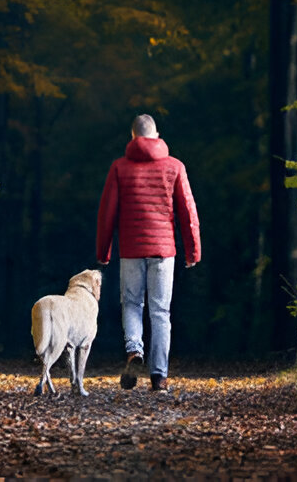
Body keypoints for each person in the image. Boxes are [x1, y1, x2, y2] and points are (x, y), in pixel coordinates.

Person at [96, 114, 201, 392]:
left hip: (131, 249)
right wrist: (192, 251)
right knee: (160, 311)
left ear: (133, 137)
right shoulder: (175, 167)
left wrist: (103, 252)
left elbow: (107, 214)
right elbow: (188, 213)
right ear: (157, 136)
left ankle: (133, 350)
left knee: (131, 304)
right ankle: (159, 376)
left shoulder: (119, 168)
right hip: (164, 251)